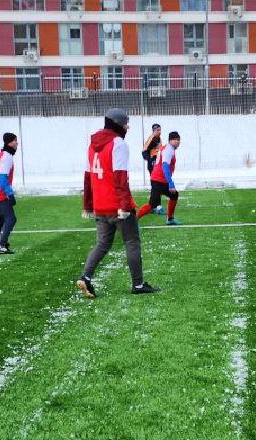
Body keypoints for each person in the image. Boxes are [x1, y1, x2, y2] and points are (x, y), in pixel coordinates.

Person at [77, 108, 160, 298]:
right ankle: (138, 285)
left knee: (102, 244)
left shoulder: (92, 145)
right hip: (117, 205)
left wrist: (88, 205)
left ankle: (86, 277)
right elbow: (120, 178)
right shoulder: (118, 143)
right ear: (117, 124)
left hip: (100, 204)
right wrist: (124, 206)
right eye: (125, 123)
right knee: (132, 242)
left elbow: (88, 178)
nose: (127, 126)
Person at [136, 131, 182, 225]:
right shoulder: (169, 149)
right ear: (170, 140)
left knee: (174, 195)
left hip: (160, 179)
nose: (177, 141)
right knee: (152, 204)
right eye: (175, 139)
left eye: (178, 139)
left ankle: (170, 219)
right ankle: (132, 222)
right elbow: (165, 166)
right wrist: (170, 183)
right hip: (158, 180)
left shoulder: (168, 148)